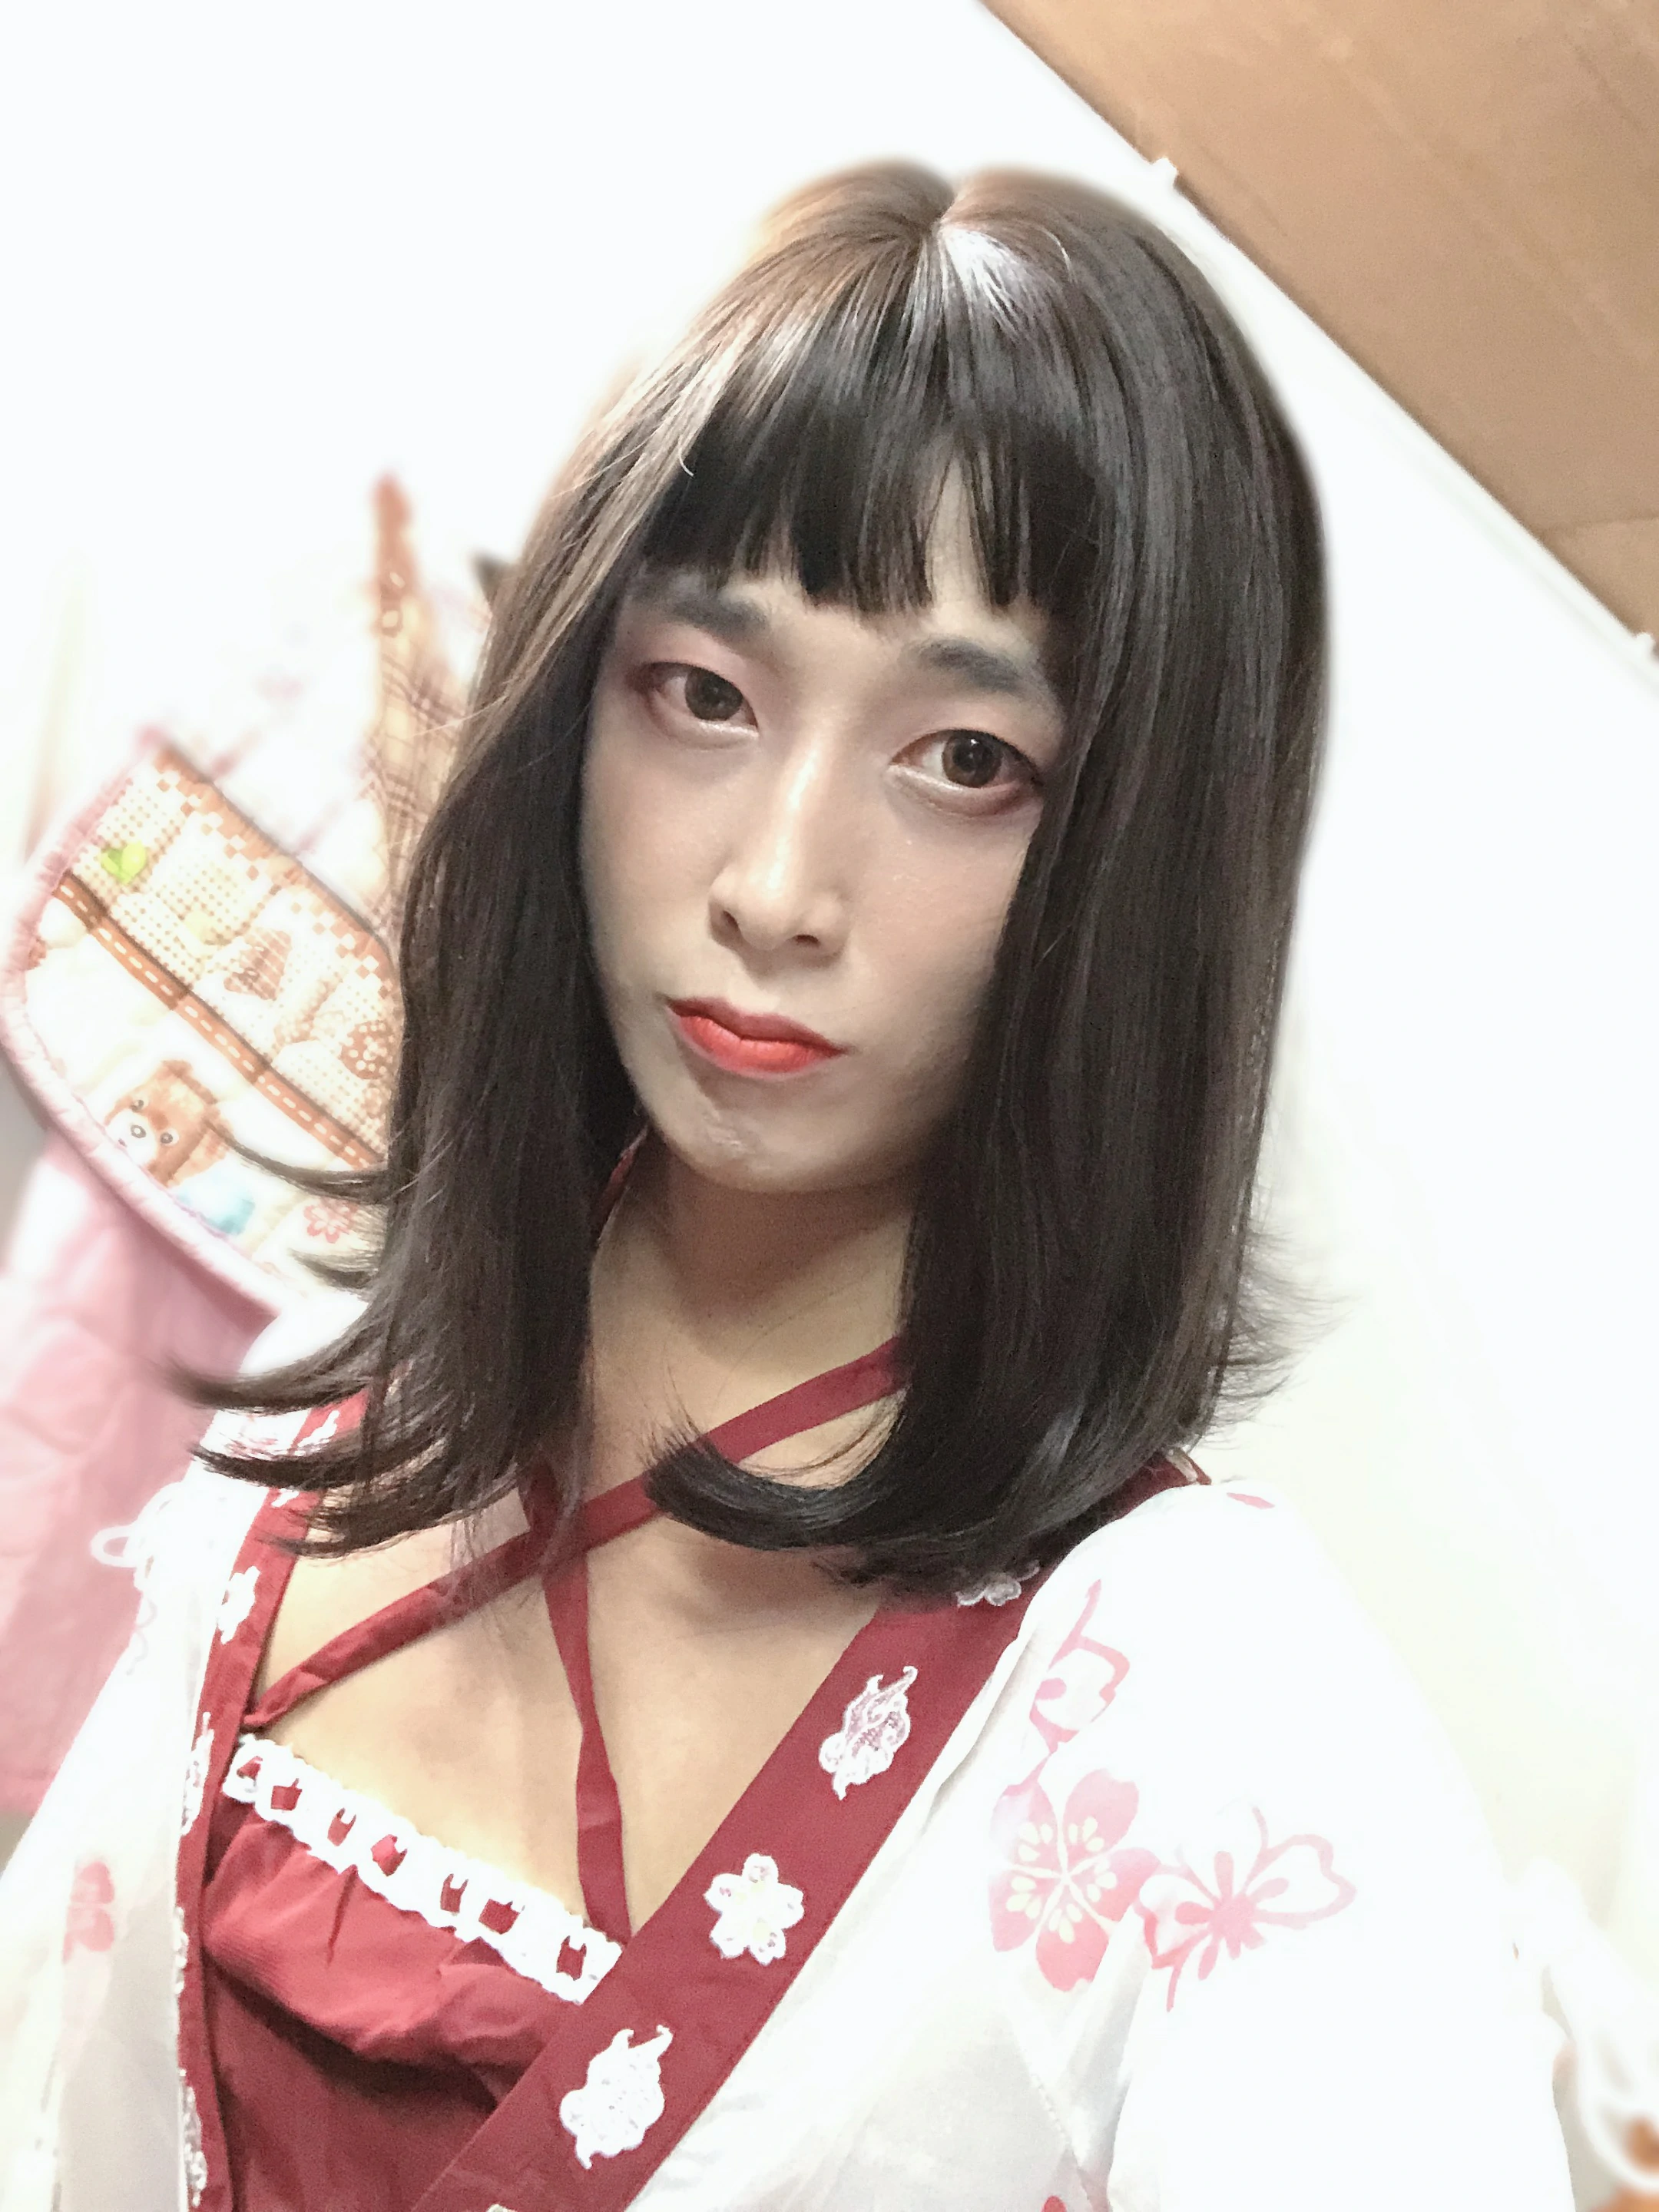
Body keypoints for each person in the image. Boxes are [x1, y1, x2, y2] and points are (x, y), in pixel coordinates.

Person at [0, 162, 1573, 2211]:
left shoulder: (1217, 1731)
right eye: (705, 696)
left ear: (1143, 850)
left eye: (967, 759)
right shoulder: (323, 1421)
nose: (773, 887)